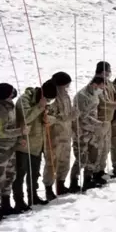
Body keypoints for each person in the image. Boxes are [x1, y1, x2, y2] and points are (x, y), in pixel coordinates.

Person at [0, 83, 30, 221]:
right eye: (11, 91)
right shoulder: (0, 111)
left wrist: (18, 140)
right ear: (7, 95)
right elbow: (1, 132)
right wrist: (20, 132)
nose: (14, 92)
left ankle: (6, 205)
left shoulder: (9, 106)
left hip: (10, 149)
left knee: (10, 177)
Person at [13, 79, 57, 210]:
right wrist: (39, 107)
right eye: (47, 99)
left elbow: (55, 116)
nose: (49, 102)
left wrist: (48, 119)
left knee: (34, 174)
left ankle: (33, 196)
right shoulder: (24, 100)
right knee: (20, 175)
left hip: (38, 145)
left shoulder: (46, 102)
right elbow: (26, 117)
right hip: (24, 145)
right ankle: (19, 201)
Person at [69, 76, 105, 192]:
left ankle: (88, 180)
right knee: (81, 158)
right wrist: (98, 123)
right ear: (95, 84)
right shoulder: (82, 96)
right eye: (101, 86)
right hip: (82, 132)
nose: (102, 89)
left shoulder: (94, 94)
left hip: (93, 131)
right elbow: (83, 116)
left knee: (93, 156)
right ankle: (74, 182)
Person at [43, 71, 76, 200]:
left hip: (66, 135)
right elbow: (49, 118)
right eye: (66, 85)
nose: (68, 87)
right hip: (54, 136)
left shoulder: (66, 96)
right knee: (52, 164)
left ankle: (61, 184)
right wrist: (68, 117)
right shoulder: (51, 97)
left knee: (65, 162)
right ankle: (48, 188)